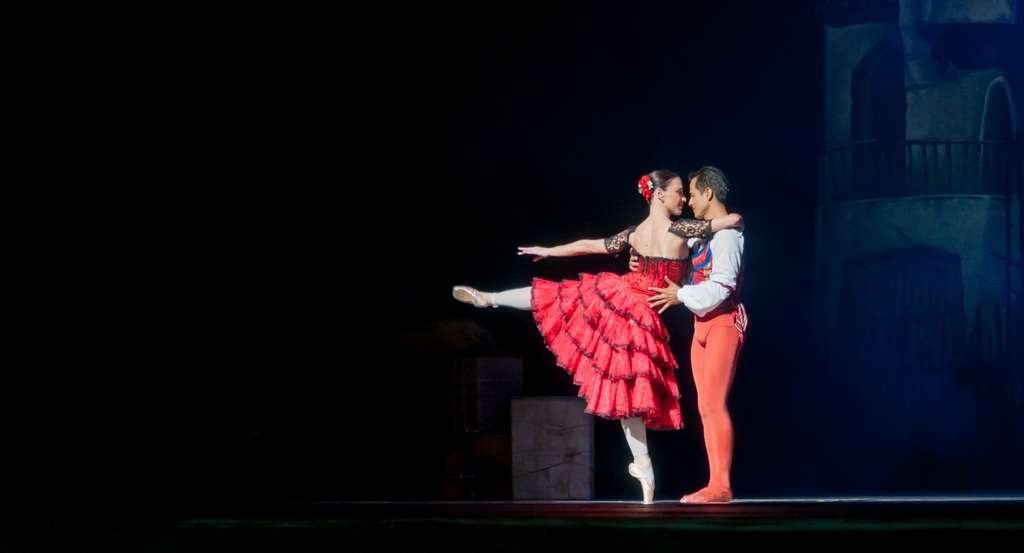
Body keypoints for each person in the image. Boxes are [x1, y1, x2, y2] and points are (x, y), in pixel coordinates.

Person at [452, 170, 742, 503]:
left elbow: (590, 245)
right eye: (678, 192)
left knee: (560, 299)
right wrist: (735, 218)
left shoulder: (635, 233)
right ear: (659, 194)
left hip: (619, 296)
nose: (684, 199)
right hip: (639, 314)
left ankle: (490, 298)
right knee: (630, 391)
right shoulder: (681, 229)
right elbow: (728, 222)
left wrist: (550, 251)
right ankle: (643, 466)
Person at [647, 166, 747, 504]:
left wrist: (681, 295)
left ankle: (721, 486)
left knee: (714, 404)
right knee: (705, 406)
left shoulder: (727, 236)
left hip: (723, 321)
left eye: (692, 194)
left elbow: (722, 286)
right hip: (701, 324)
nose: (688, 201)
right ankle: (715, 482)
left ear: (708, 193)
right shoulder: (702, 235)